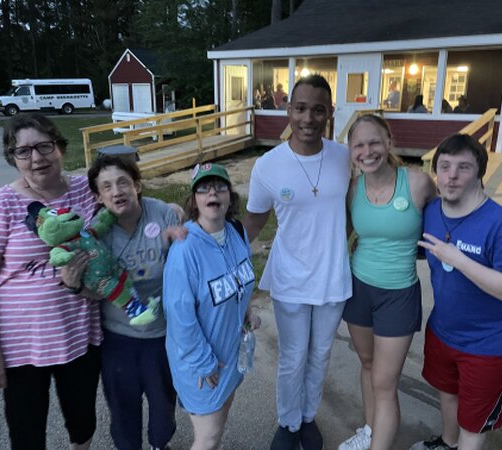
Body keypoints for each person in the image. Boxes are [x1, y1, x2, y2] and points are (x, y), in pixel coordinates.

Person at [0, 112, 101, 450]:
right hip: (21, 345)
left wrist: (170, 212)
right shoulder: (1, 204)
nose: (36, 158)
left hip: (78, 334)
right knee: (26, 433)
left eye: (44, 146)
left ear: (60, 147)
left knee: (83, 422)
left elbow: (126, 199)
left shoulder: (85, 189)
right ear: (12, 157)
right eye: (23, 151)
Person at [243, 74, 352, 450]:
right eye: (301, 108)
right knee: (293, 357)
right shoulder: (268, 166)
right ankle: (288, 423)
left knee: (320, 354)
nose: (308, 118)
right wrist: (217, 249)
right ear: (288, 110)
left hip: (333, 276)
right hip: (289, 277)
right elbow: (254, 219)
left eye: (318, 110)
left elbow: (355, 207)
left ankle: (307, 417)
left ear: (329, 113)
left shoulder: (343, 157)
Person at [411, 134, 502, 450]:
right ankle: (447, 444)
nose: (451, 176)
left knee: (473, 424)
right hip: (443, 332)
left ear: (480, 174)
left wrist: (459, 259)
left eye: (463, 167)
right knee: (448, 395)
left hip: (489, 345)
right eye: (444, 166)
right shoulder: (432, 212)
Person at [338, 115, 436, 450]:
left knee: (384, 381)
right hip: (359, 289)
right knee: (367, 365)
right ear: (351, 151)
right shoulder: (353, 189)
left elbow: (446, 220)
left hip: (398, 294)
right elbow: (340, 234)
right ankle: (369, 432)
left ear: (389, 142)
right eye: (359, 145)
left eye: (374, 142)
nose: (367, 152)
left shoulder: (418, 183)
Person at [85, 154, 185, 450]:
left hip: (163, 333)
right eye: (106, 187)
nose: (117, 191)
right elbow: (92, 288)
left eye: (123, 182)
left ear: (137, 185)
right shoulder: (95, 233)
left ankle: (159, 444)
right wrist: (75, 282)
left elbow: (186, 264)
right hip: (119, 337)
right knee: (122, 405)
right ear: (98, 196)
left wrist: (181, 233)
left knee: (163, 401)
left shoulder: (163, 213)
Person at [163, 163, 260, 450]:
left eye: (219, 187)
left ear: (230, 196)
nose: (212, 193)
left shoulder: (236, 232)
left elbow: (240, 280)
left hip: (230, 356)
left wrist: (247, 310)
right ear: (194, 201)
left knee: (218, 426)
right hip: (204, 365)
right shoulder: (185, 249)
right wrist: (203, 363)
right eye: (203, 188)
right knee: (207, 438)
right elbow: (179, 317)